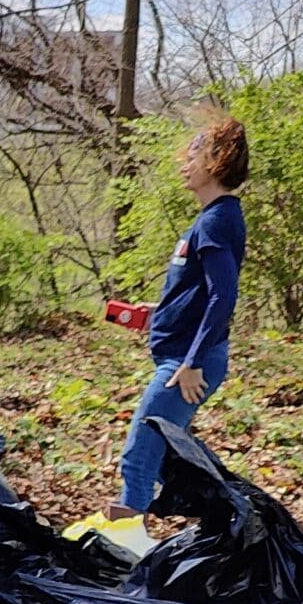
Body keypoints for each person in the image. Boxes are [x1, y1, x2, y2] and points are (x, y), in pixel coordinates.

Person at [110, 112, 248, 519]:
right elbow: (201, 293)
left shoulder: (218, 221)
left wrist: (191, 363)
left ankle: (122, 552)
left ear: (217, 161)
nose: (185, 164)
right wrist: (161, 314)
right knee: (173, 459)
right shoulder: (209, 219)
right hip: (181, 355)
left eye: (195, 155)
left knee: (139, 456)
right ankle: (231, 529)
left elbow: (224, 295)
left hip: (187, 363)